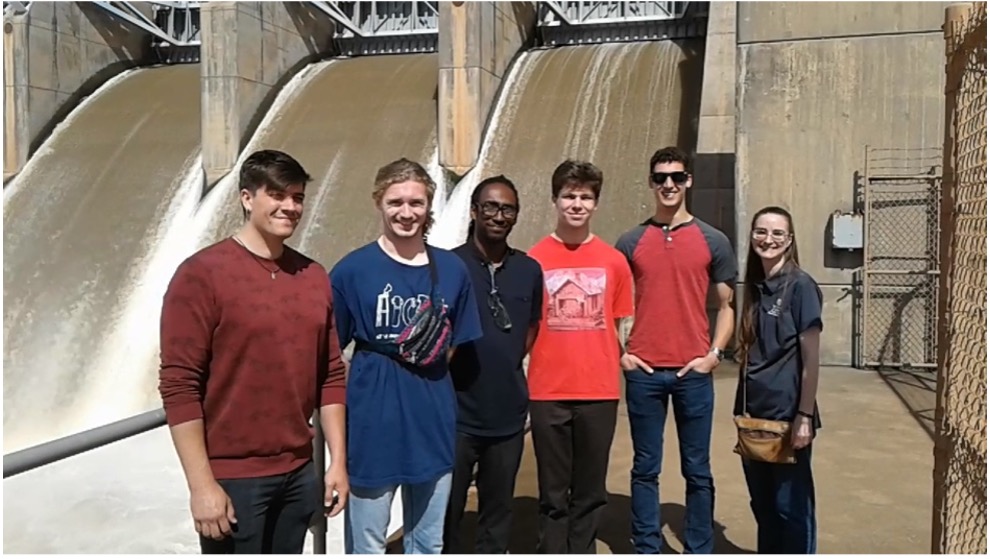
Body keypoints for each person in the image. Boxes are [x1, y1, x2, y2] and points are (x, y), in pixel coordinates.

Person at [158, 149, 349, 554]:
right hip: (234, 479)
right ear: (247, 198)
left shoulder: (313, 276)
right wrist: (201, 485)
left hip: (299, 473)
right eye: (277, 195)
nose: (290, 206)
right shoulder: (202, 275)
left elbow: (330, 375)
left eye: (297, 197)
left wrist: (337, 462)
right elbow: (179, 385)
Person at [329, 158, 484, 554]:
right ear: (379, 202)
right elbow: (332, 355)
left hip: (432, 424)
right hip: (371, 426)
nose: (406, 212)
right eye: (396, 202)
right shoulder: (351, 271)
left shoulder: (452, 270)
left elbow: (451, 347)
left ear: (429, 206)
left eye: (416, 203)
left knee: (428, 544)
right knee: (367, 544)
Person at [615, 146, 736, 554]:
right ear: (651, 183)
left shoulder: (712, 240)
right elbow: (613, 303)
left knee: (697, 470)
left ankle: (699, 547)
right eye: (661, 177)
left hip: (692, 374)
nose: (669, 184)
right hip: (644, 372)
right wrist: (623, 353)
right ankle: (647, 546)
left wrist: (713, 356)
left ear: (689, 182)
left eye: (677, 177)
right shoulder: (630, 241)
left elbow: (727, 306)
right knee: (645, 469)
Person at [526, 160, 635, 554]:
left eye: (585, 197)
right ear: (555, 200)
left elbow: (623, 324)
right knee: (553, 494)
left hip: (599, 391)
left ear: (595, 204)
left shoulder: (614, 261)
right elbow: (526, 329)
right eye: (569, 196)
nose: (576, 204)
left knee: (590, 491)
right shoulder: (533, 259)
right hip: (547, 391)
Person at [443, 176, 544, 554]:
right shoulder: (449, 265)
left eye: (508, 209)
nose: (499, 216)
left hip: (507, 416)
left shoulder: (529, 270)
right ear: (474, 211)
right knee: (446, 512)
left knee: (497, 514)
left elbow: (531, 328)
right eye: (491, 207)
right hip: (455, 415)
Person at [734, 205, 822, 554]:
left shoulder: (801, 286)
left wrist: (803, 416)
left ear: (789, 241)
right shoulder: (757, 287)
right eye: (761, 231)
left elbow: (811, 358)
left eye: (777, 234)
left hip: (788, 417)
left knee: (791, 509)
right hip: (754, 414)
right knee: (764, 507)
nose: (767, 239)